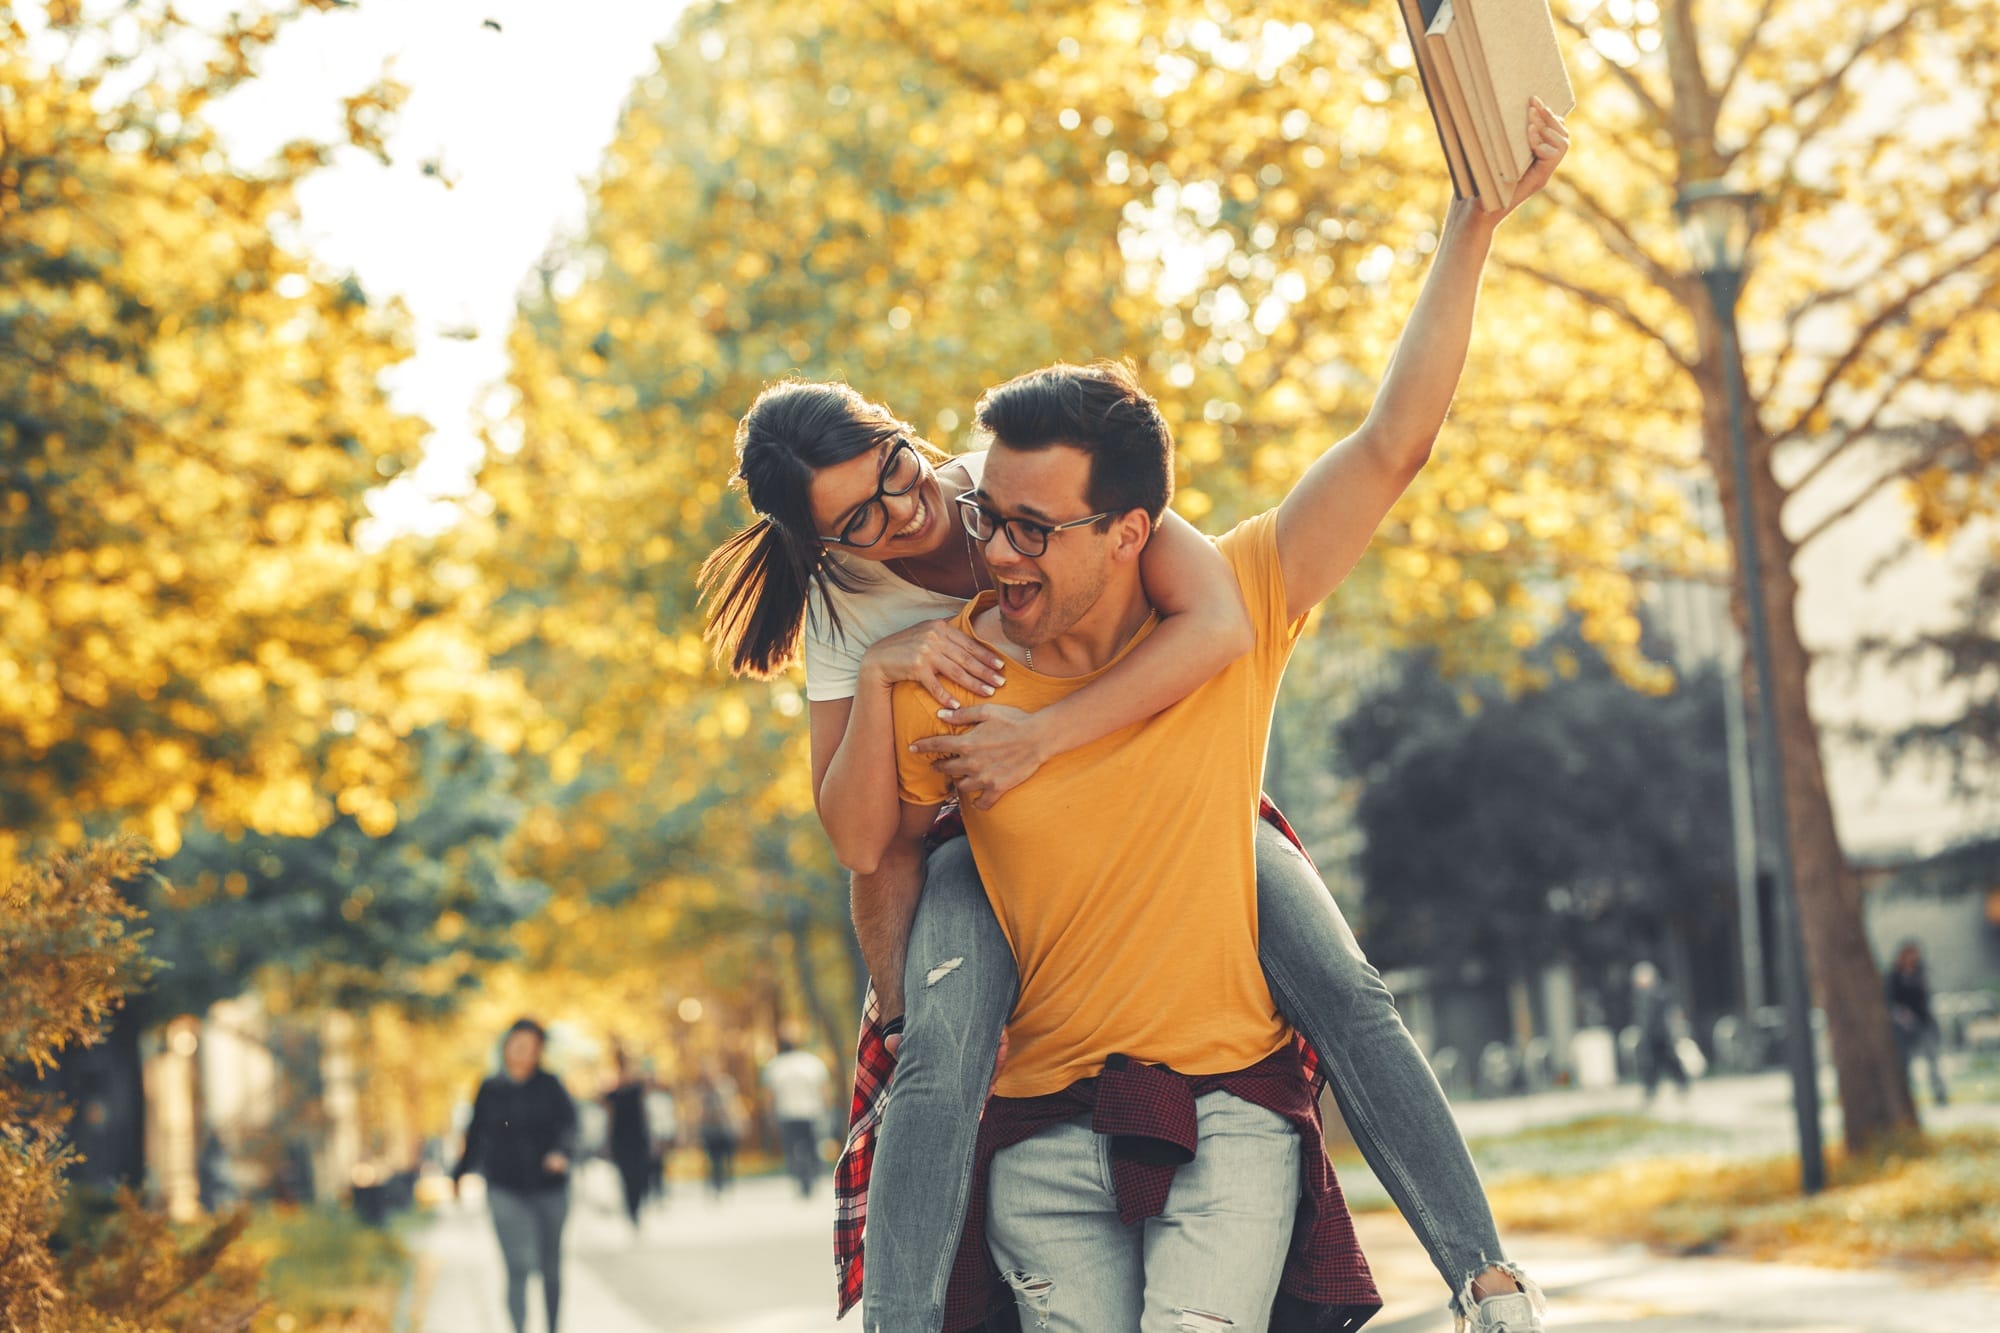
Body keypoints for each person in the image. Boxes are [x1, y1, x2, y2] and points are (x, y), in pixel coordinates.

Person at [698, 101, 1568, 1333]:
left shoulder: (1194, 583)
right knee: (937, 1050)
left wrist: (1469, 225)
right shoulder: (906, 647)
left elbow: (1387, 449)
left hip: (1205, 995)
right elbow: (868, 848)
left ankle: (1485, 1275)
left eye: (1008, 518)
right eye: (869, 520)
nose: (939, 525)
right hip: (1000, 969)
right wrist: (899, 1010)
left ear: (1126, 533)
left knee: (1340, 979)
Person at [452, 1018, 577, 1333]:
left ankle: (552, 1328)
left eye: (533, 1047)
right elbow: (475, 1133)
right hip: (504, 1187)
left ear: (540, 1052)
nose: (524, 1053)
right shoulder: (490, 1088)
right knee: (518, 1265)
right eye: (519, 1045)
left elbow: (571, 1126)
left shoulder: (551, 1084)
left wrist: (562, 1152)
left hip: (550, 1188)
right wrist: (459, 1175)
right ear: (505, 1046)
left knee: (550, 1267)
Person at [763, 1036, 834, 1197]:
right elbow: (825, 1090)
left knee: (791, 1148)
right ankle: (813, 1172)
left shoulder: (775, 1066)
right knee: (811, 1145)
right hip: (811, 1112)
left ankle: (797, 1173)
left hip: (787, 1114)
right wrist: (827, 1109)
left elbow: (769, 1096)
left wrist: (770, 1115)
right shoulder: (813, 1063)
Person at [1885, 941, 1949, 1105]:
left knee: (1932, 1060)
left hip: (1924, 1021)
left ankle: (1940, 1095)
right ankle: (1907, 1097)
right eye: (1910, 954)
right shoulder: (1895, 976)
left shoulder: (1920, 973)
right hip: (1904, 1025)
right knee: (1905, 1063)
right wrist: (1902, 1016)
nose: (1914, 958)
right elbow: (1891, 1000)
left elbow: (1926, 997)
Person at [601, 1045, 654, 1231]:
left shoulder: (638, 1089)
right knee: (626, 1178)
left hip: (638, 1139)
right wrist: (607, 1144)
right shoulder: (612, 1094)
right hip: (621, 1141)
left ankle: (636, 1209)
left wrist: (651, 1137)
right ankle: (631, 1212)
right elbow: (609, 1118)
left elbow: (646, 1112)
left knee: (639, 1177)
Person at [1630, 962, 1690, 1105]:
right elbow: (1642, 1019)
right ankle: (1651, 1091)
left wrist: (1677, 1030)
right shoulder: (1641, 997)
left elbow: (1672, 1014)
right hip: (1650, 1037)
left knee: (1669, 1061)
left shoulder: (1661, 994)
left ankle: (1681, 1086)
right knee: (1651, 1065)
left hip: (1663, 1035)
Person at [696, 1064, 744, 1199]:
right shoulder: (702, 1089)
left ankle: (727, 1182)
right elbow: (700, 1112)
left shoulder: (726, 1085)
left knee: (727, 1157)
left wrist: (739, 1122)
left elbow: (733, 1105)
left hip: (725, 1127)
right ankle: (717, 1185)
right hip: (710, 1130)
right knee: (713, 1159)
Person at [644, 1075, 679, 1203]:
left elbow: (668, 1118)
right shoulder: (644, 1098)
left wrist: (668, 1136)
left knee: (659, 1164)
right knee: (650, 1165)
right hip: (649, 1136)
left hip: (660, 1134)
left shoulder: (662, 1099)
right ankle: (652, 1190)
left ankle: (659, 1190)